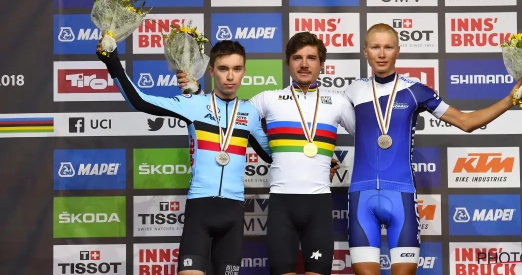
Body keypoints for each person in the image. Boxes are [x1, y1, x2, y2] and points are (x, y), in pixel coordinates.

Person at [343, 23, 522, 275]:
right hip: (361, 197)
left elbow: (466, 122)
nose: (382, 53)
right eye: (375, 47)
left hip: (401, 197)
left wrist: (510, 100)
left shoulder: (415, 90)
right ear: (365, 51)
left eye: (388, 47)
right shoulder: (353, 91)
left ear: (398, 50)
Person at [177, 32, 355, 275]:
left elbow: (368, 138)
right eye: (297, 58)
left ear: (321, 63)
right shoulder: (269, 99)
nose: (304, 64)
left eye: (311, 58)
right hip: (281, 205)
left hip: (319, 205)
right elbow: (228, 116)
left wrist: (327, 160)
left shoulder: (338, 102)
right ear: (287, 63)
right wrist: (196, 92)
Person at [96, 39, 271, 275]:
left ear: (244, 71)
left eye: (236, 69)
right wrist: (112, 61)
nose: (230, 76)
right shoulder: (193, 104)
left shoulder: (250, 113)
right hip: (200, 210)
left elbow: (273, 155)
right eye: (223, 68)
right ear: (211, 71)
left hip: (233, 212)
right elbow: (139, 101)